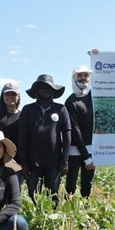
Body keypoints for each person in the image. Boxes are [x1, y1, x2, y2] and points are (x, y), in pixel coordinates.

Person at [19, 74, 71, 204]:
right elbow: (22, 137)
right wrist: (24, 162)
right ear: (36, 91)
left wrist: (64, 161)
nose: (45, 90)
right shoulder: (27, 109)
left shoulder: (61, 109)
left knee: (53, 195)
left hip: (54, 162)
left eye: (48, 88)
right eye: (41, 87)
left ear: (53, 91)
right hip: (32, 163)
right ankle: (34, 222)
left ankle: (51, 222)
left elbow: (67, 135)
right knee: (33, 196)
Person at [64, 65, 95, 197]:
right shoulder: (71, 102)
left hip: (92, 149)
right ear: (74, 78)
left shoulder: (95, 97)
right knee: (71, 184)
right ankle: (68, 212)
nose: (83, 79)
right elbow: (75, 131)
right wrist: (86, 157)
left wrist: (97, 56)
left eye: (86, 75)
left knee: (87, 184)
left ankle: (85, 211)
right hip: (75, 151)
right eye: (80, 76)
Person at [0, 81, 21, 178]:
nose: (10, 96)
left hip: (17, 162)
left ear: (18, 96)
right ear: (2, 96)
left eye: (13, 94)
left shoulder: (23, 116)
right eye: (7, 94)